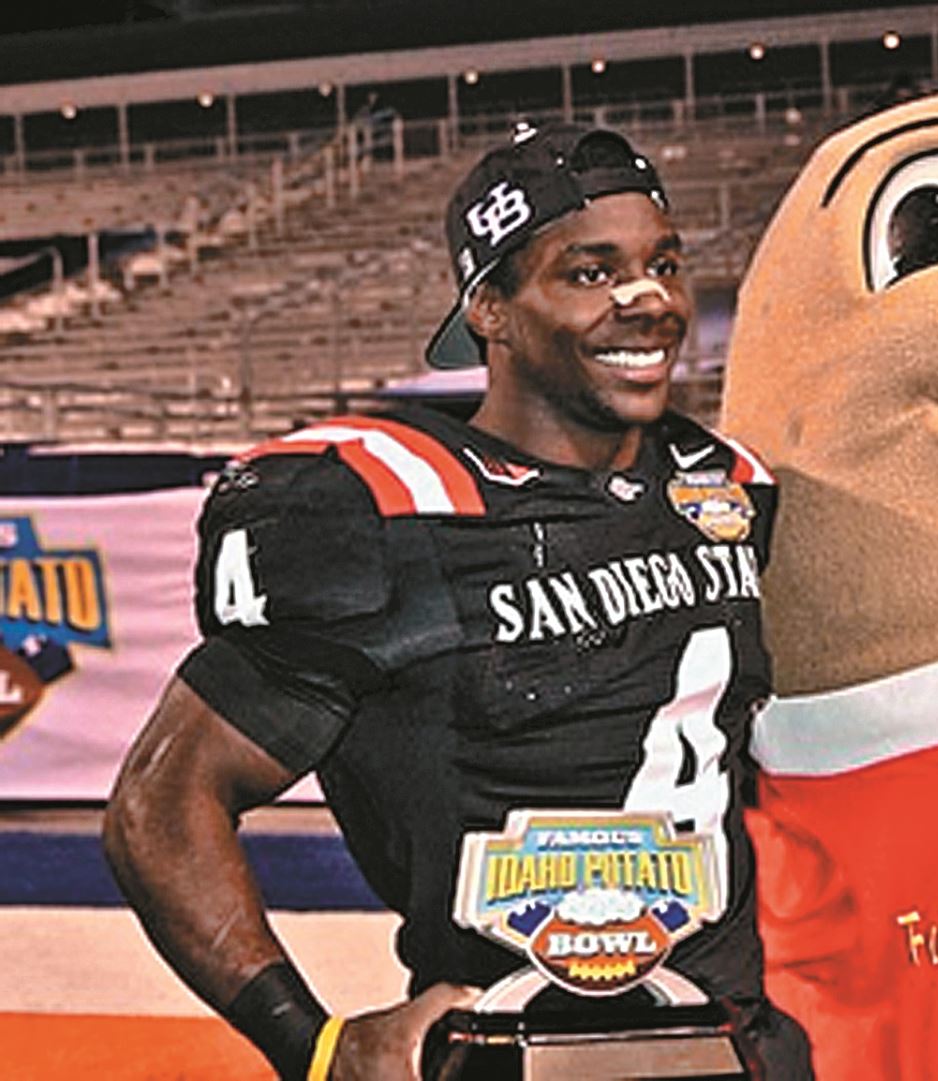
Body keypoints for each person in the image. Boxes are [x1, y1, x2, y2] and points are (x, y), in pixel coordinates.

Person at [102, 124, 812, 1080]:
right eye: (591, 273)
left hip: (741, 1046)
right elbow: (160, 800)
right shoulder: (386, 504)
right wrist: (310, 1043)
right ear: (491, 308)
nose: (650, 301)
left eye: (665, 263)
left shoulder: (728, 485)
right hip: (505, 1048)